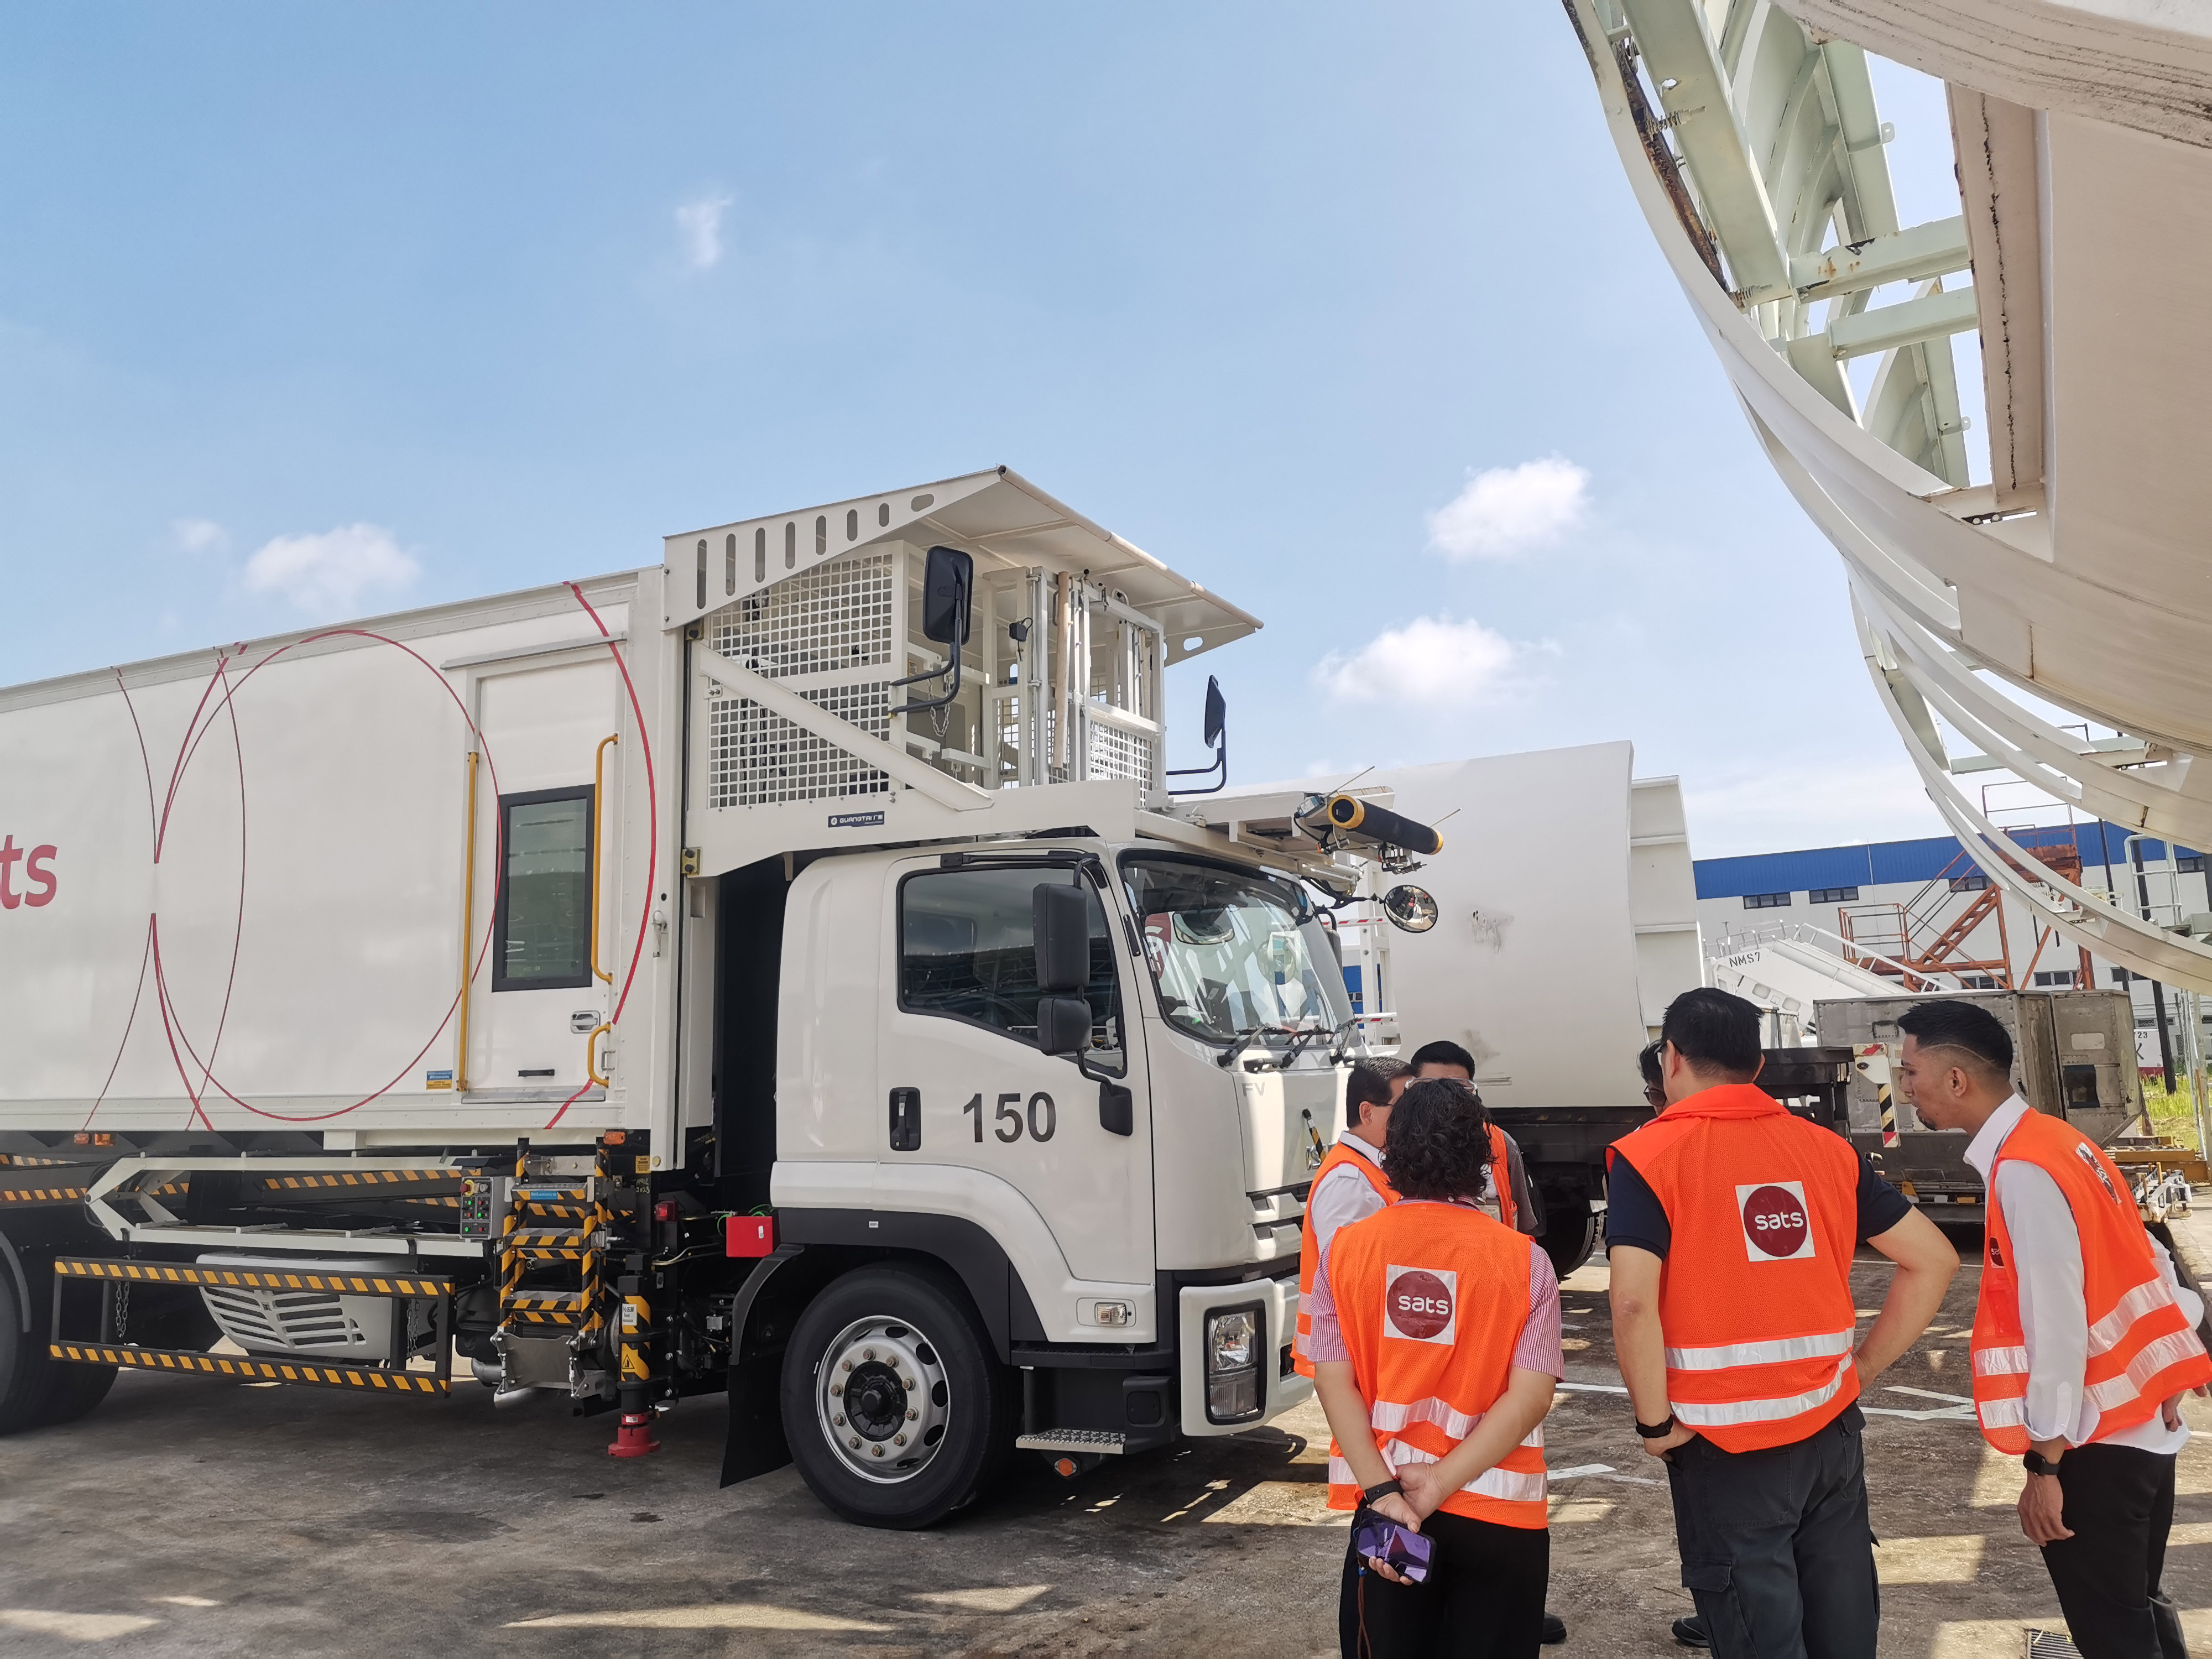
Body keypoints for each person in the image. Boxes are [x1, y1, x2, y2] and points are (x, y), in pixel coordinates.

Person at [1606, 988, 1958, 1658]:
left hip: (1723, 1443)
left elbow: (1631, 1302)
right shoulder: (1824, 1149)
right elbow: (1934, 1260)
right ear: (1759, 1065)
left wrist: (1654, 1424)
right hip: (1829, 1430)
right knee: (1842, 1622)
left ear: (1671, 1057)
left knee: (1757, 1632)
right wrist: (1861, 1369)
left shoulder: (1649, 1156)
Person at [1898, 998, 2212, 1658]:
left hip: (2092, 1442)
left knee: (2113, 1631)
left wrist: (2044, 1463)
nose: (1903, 1089)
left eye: (1910, 1072)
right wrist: (2173, 1366)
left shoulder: (2023, 1169)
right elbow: (2150, 1260)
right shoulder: (2062, 1142)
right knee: (2138, 1607)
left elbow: (2056, 1325)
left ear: (1955, 1079)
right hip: (2139, 1426)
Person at [1309, 1078, 1563, 1657]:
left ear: (1392, 1151)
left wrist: (1383, 1492)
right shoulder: (1527, 1263)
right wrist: (1442, 1483)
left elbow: (1332, 1380)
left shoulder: (1344, 1252)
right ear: (1481, 1159)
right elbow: (1531, 1398)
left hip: (1390, 1509)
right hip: (1501, 1513)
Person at [1408, 1040, 1565, 1647]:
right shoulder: (1371, 1206)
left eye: (1462, 1092)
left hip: (1492, 1336)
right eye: (1432, 1090)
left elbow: (1522, 1225)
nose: (1449, 1104)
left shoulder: (1502, 1149)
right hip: (1425, 1457)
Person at [1297, 1057, 1412, 1379]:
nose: (1413, 1118)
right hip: (1354, 1358)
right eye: (1404, 1108)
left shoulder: (1370, 1168)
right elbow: (1349, 1286)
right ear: (1367, 1112)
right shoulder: (1349, 1181)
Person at [1407, 1041, 1538, 1240]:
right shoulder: (1390, 1144)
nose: (1445, 1097)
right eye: (1433, 1087)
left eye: (1458, 1088)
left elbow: (1523, 1225)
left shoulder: (1500, 1143)